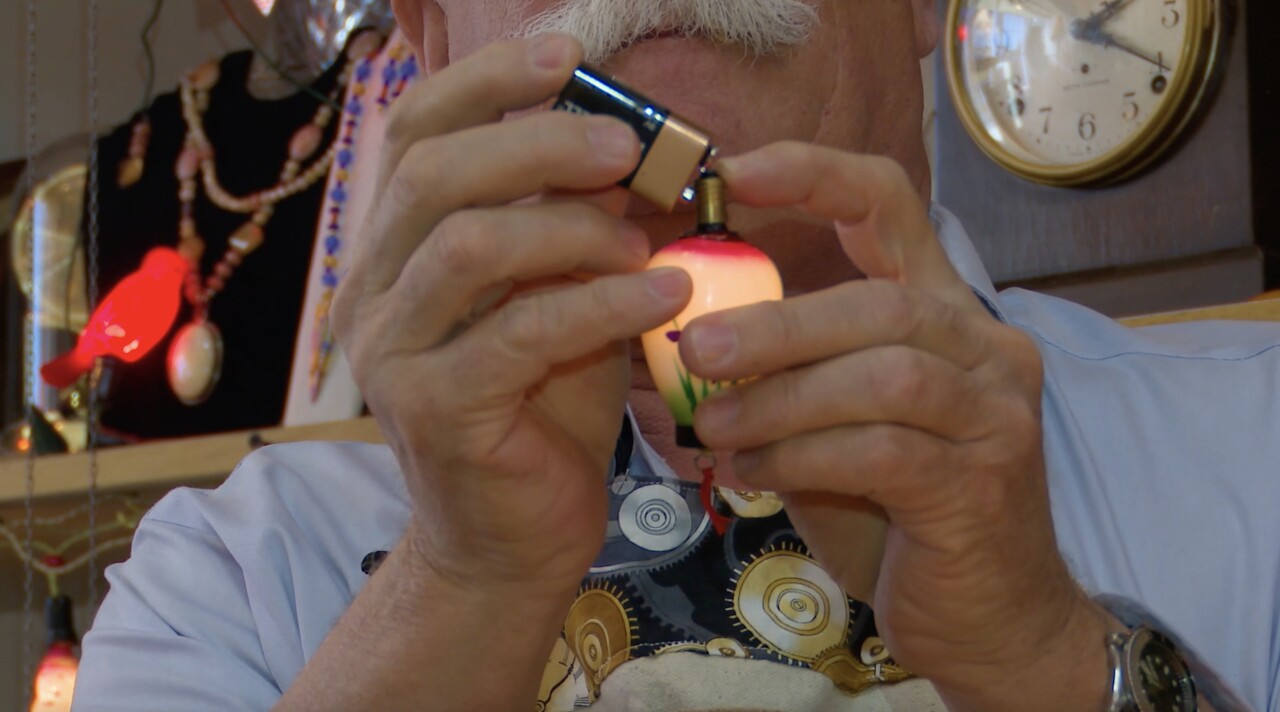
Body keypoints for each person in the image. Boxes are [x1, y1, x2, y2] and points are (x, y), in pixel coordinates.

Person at [72, 1, 1280, 710]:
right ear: (435, 34)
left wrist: (1041, 653)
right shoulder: (221, 584)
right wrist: (462, 584)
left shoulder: (1259, 449)